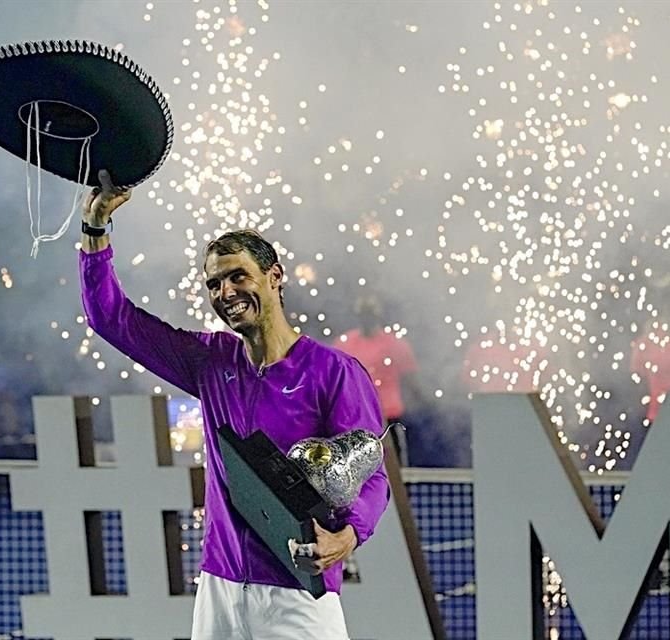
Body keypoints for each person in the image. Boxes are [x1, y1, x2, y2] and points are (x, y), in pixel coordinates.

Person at [79, 170, 389, 640]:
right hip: (219, 586)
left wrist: (346, 538)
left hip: (297, 592)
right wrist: (96, 230)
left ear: (274, 277)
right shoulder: (209, 361)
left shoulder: (333, 372)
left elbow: (374, 477)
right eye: (213, 284)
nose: (225, 294)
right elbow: (112, 319)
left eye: (237, 276)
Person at [337, 294, 426, 465]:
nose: (367, 317)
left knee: (394, 473)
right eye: (363, 313)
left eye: (370, 313)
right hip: (356, 421)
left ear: (378, 315)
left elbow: (411, 381)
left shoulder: (395, 344)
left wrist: (421, 403)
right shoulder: (345, 344)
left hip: (388, 418)